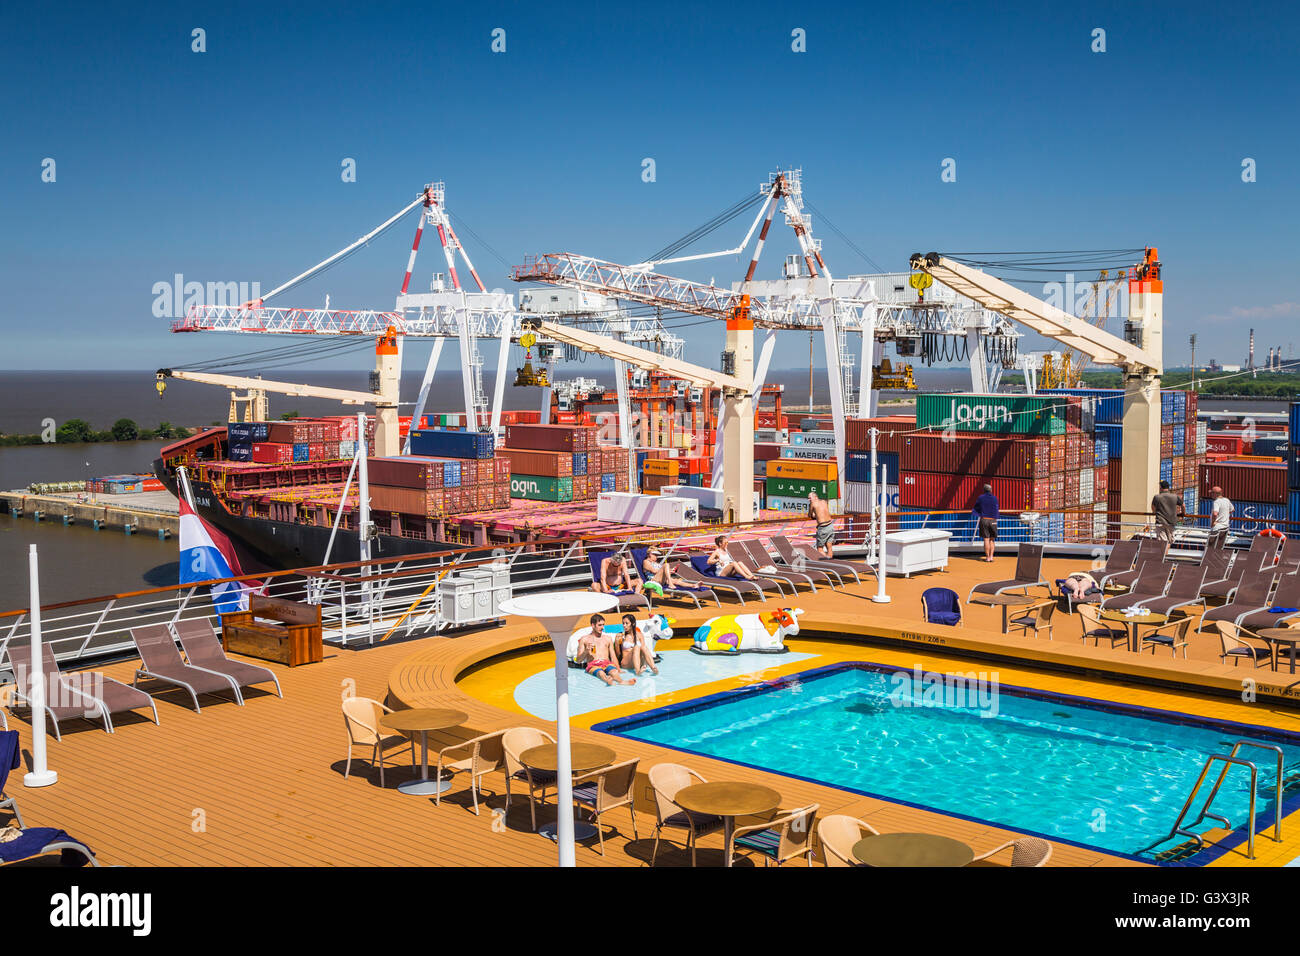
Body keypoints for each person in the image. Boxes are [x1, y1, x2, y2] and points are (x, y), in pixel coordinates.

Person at [574, 614, 636, 686]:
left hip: (607, 663)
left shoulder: (607, 638)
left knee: (614, 672)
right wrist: (586, 651)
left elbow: (613, 656)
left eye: (603, 625)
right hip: (593, 664)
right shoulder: (584, 639)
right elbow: (578, 660)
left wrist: (618, 669)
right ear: (593, 625)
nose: (602, 627)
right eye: (600, 625)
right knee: (600, 673)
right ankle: (607, 680)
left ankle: (621, 682)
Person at [1151, 479, 1185, 545]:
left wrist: (1155, 513)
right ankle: (1166, 553)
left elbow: (1153, 507)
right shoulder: (1175, 496)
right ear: (1168, 488)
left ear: (1161, 488)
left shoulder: (1157, 497)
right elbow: (1183, 505)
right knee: (1170, 542)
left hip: (1160, 522)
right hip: (1171, 522)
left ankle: (1164, 554)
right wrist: (1183, 514)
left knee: (1162, 543)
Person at [971, 484, 999, 562]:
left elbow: (976, 508)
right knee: (992, 539)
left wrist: (978, 513)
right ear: (991, 490)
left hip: (984, 520)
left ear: (984, 490)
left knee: (986, 539)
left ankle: (987, 558)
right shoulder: (994, 498)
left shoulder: (981, 498)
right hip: (993, 520)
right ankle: (991, 557)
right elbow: (996, 509)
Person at [808, 490, 835, 558]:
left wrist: (811, 508)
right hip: (830, 525)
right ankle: (831, 563)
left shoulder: (813, 504)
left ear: (815, 497)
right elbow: (821, 513)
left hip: (823, 527)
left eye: (810, 498)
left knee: (820, 549)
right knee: (829, 547)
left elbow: (809, 515)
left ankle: (827, 563)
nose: (809, 500)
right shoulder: (824, 501)